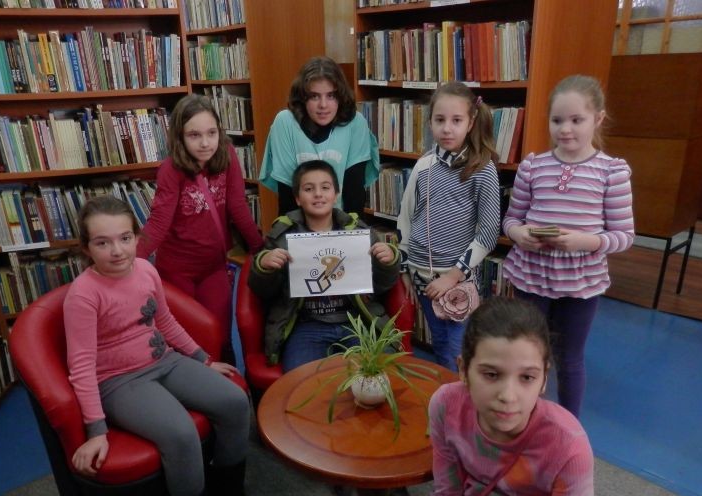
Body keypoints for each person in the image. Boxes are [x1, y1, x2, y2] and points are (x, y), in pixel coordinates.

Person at [64, 195, 280, 496]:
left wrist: (202, 359)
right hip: (120, 381)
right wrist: (96, 430)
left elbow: (164, 320)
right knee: (180, 434)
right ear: (86, 248)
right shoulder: (83, 294)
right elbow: (80, 365)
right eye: (102, 242)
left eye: (125, 238)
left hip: (164, 361)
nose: (117, 250)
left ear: (137, 237)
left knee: (234, 400)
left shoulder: (146, 269)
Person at [366, 297, 594, 496]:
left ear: (543, 380)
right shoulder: (446, 405)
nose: (508, 396)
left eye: (527, 377)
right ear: (463, 370)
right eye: (491, 374)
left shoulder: (569, 447)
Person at [248, 160, 412, 496]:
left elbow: (384, 286)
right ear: (297, 197)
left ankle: (388, 475)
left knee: (373, 386)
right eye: (309, 189)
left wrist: (388, 260)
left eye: (325, 187)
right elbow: (260, 290)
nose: (318, 194)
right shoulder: (282, 233)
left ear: (336, 194)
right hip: (306, 325)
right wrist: (265, 265)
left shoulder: (358, 230)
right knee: (308, 387)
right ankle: (337, 460)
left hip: (356, 323)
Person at [502, 74, 634, 417]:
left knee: (570, 357)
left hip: (581, 282)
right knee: (529, 352)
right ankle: (528, 417)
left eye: (577, 120)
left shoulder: (612, 172)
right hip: (532, 274)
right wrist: (519, 234)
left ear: (598, 119)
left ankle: (568, 427)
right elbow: (512, 219)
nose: (565, 129)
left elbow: (624, 235)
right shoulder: (533, 166)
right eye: (557, 120)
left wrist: (585, 241)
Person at [136, 94, 264, 360]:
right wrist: (130, 263)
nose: (205, 143)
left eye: (211, 133)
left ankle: (230, 383)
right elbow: (158, 223)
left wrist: (260, 249)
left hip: (214, 267)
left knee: (221, 335)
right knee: (187, 338)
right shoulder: (171, 170)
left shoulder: (227, 155)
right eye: (194, 135)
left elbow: (238, 207)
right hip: (176, 271)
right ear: (180, 137)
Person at [398, 81, 501, 373]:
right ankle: (447, 398)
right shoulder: (423, 165)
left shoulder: (482, 169)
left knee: (456, 352)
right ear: (430, 121)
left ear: (471, 123)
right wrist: (404, 269)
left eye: (456, 120)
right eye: (439, 120)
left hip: (456, 280)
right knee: (440, 343)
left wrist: (452, 277)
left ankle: (456, 399)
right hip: (420, 275)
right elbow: (405, 217)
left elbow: (488, 233)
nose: (447, 129)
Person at [259, 56, 380, 216]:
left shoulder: (356, 123)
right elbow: (288, 195)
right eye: (314, 96)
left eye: (331, 96)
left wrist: (349, 231)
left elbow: (354, 196)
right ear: (303, 98)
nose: (323, 105)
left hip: (341, 222)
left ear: (340, 96)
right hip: (298, 223)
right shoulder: (285, 122)